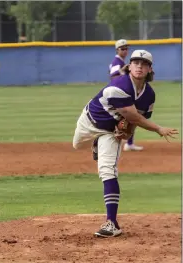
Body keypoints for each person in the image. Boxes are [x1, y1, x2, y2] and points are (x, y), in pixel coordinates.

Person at [73, 50, 178, 238]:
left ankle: (111, 223)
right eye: (136, 63)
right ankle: (96, 142)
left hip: (110, 133)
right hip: (89, 121)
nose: (139, 66)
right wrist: (158, 129)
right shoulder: (119, 86)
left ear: (150, 69)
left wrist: (127, 132)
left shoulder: (149, 96)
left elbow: (134, 122)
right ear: (129, 66)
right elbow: (133, 116)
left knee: (107, 170)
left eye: (144, 64)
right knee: (77, 145)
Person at [109, 39, 144, 152]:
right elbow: (113, 77)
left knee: (130, 118)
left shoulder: (121, 62)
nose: (125, 50)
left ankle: (128, 143)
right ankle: (126, 143)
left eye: (126, 48)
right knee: (131, 117)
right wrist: (124, 74)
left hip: (122, 95)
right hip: (119, 96)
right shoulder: (117, 62)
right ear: (117, 50)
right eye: (122, 48)